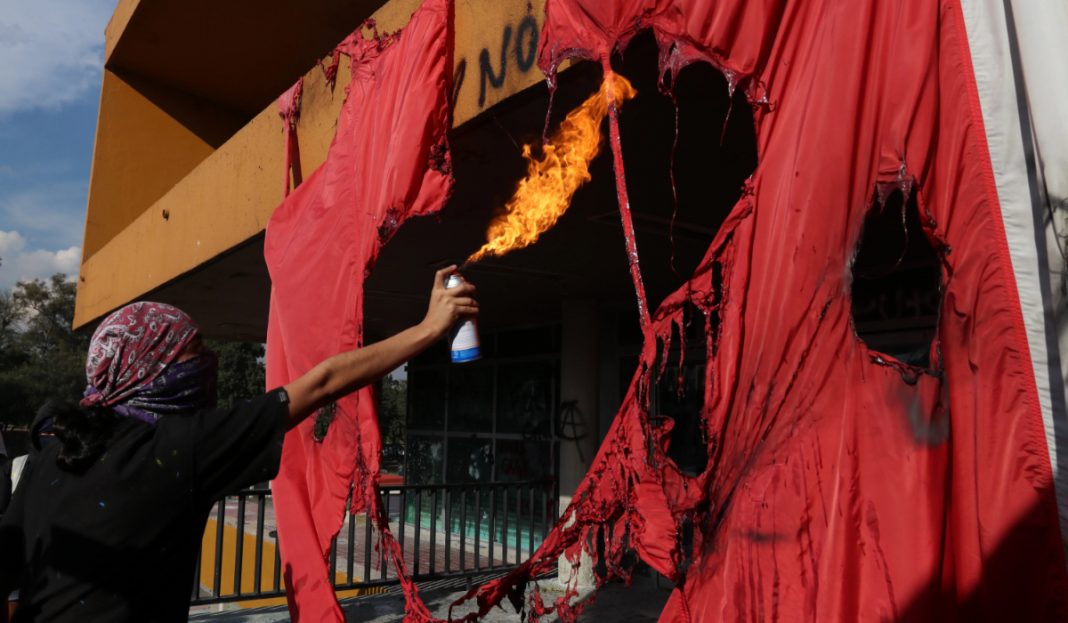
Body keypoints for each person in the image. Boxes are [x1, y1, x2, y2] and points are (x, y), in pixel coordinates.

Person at [0, 267, 477, 623]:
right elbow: (322, 384)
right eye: (193, 356)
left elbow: (10, 560)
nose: (207, 364)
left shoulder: (53, 444)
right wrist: (430, 329)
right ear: (149, 369)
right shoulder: (179, 449)